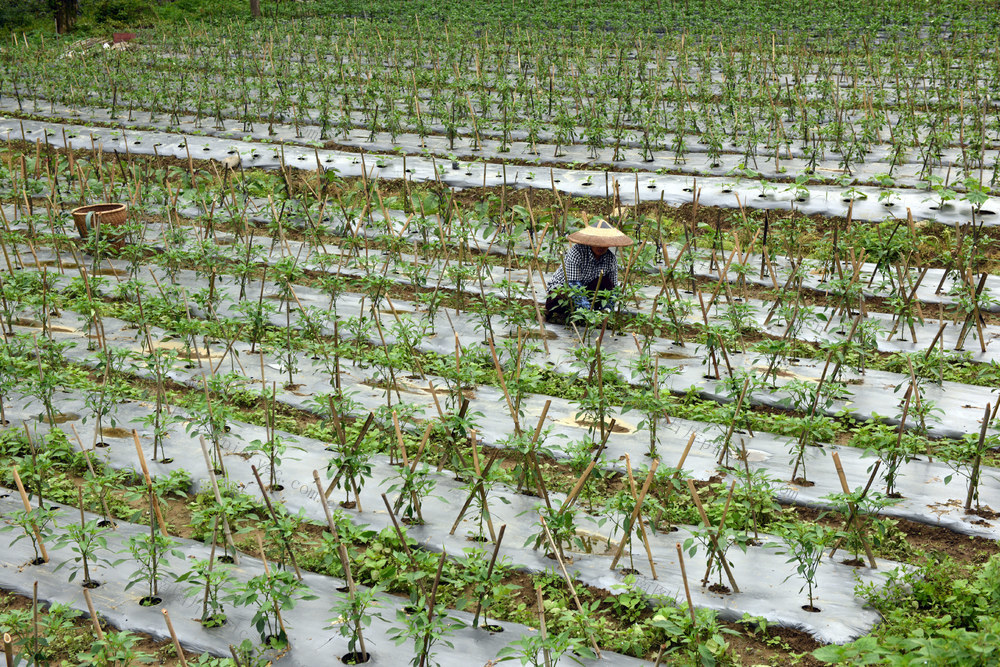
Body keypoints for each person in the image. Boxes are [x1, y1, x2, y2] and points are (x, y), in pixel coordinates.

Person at [544, 218, 633, 324]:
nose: (600, 247)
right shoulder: (577, 253)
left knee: (606, 283)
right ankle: (560, 315)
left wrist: (608, 311)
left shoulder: (610, 259)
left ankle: (596, 313)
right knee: (561, 296)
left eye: (604, 244)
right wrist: (587, 314)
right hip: (565, 290)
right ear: (590, 242)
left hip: (587, 291)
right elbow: (574, 286)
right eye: (597, 243)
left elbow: (613, 289)